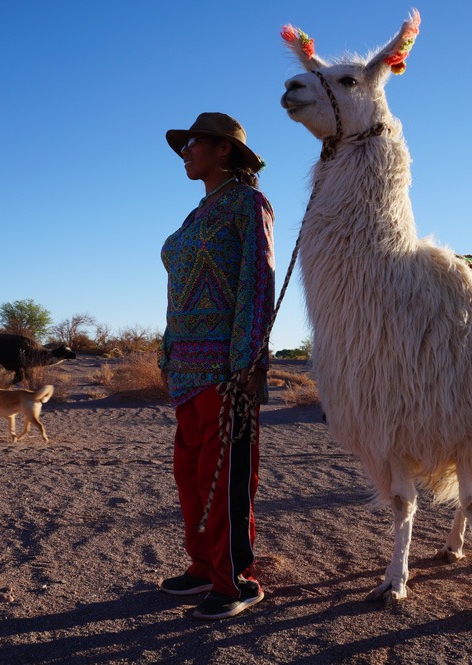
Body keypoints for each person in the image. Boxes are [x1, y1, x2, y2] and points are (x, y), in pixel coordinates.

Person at [158, 112, 275, 620]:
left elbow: (258, 279)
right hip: (185, 369)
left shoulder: (248, 205)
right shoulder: (196, 216)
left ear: (224, 150)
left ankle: (235, 581)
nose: (186, 152)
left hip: (227, 369)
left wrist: (248, 358)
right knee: (190, 473)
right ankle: (203, 566)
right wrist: (166, 351)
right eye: (183, 146)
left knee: (225, 477)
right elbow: (175, 294)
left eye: (194, 144)